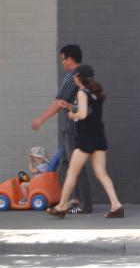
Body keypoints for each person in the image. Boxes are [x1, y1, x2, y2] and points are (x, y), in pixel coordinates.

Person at [46, 65, 125, 219]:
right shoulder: (97, 94)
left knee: (72, 172)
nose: (74, 78)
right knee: (102, 173)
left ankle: (61, 206)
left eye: (75, 76)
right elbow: (88, 112)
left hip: (86, 138)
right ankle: (117, 206)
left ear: (79, 78)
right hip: (99, 137)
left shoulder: (82, 92)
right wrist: (70, 106)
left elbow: (82, 114)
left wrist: (72, 115)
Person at [31, 44, 93, 214]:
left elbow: (59, 103)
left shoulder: (72, 77)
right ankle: (74, 200)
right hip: (77, 128)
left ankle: (84, 204)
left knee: (75, 166)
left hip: (74, 129)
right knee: (66, 162)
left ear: (69, 58)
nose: (62, 62)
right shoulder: (84, 75)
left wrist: (41, 119)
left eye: (62, 59)